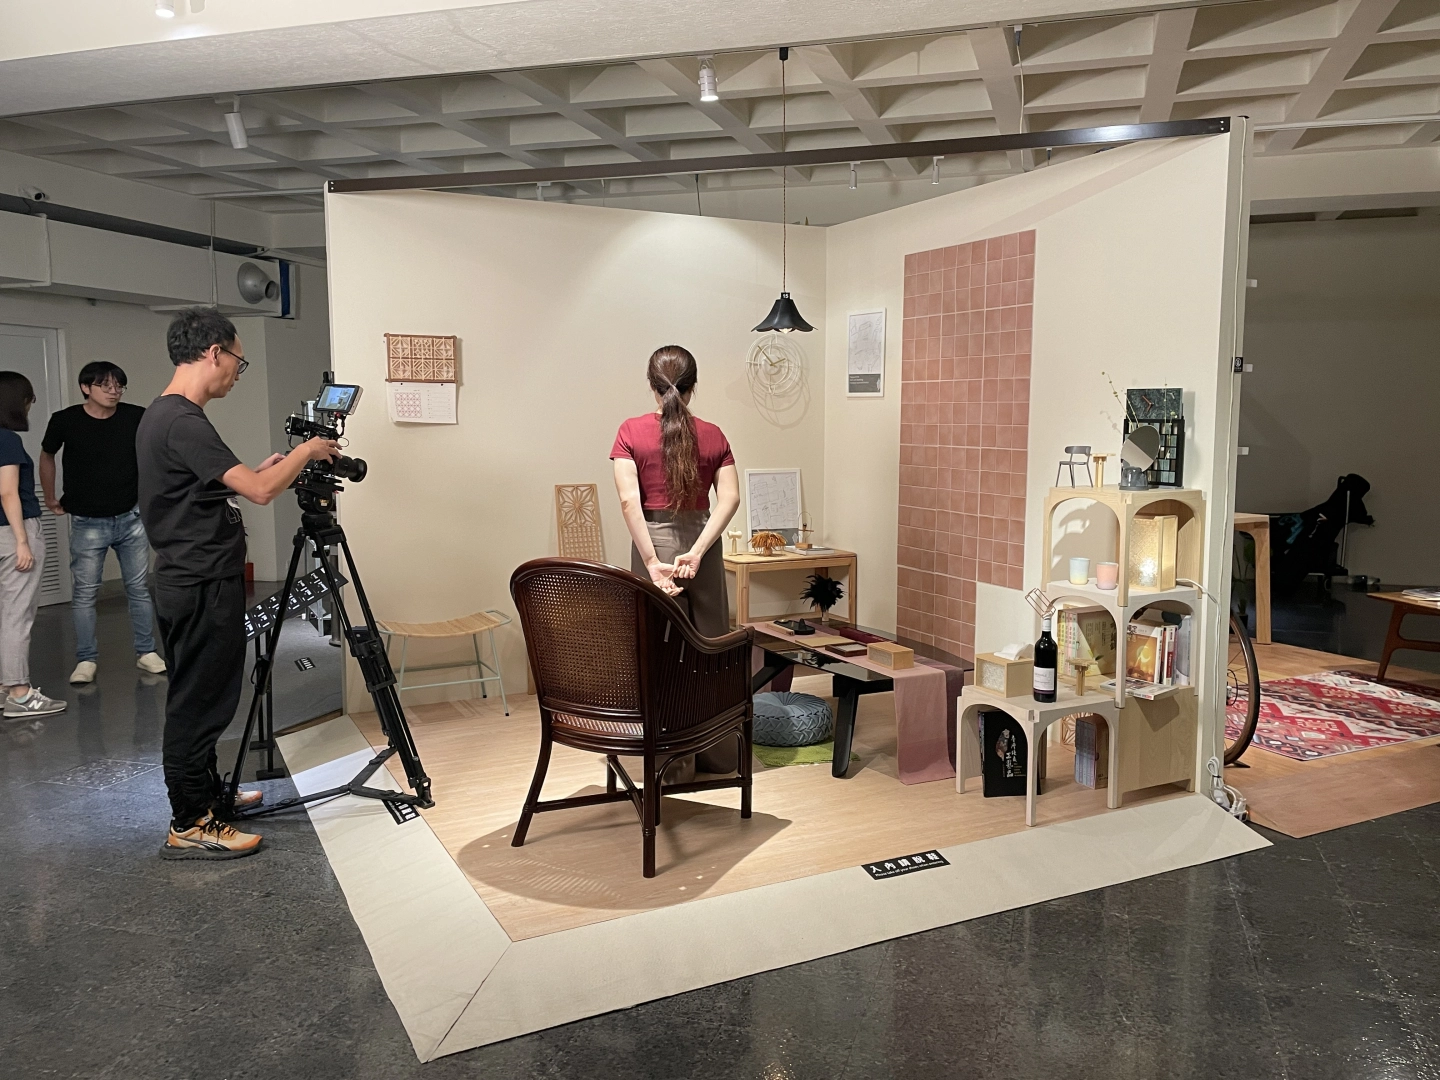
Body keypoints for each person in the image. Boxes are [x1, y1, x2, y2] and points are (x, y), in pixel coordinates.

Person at [139, 308, 338, 861]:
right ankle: (190, 822)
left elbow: (201, 489)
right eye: (238, 361)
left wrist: (265, 467)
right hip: (199, 582)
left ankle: (209, 798)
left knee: (202, 696)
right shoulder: (183, 420)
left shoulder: (165, 415)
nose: (236, 373)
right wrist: (306, 452)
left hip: (191, 576)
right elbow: (260, 492)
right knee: (198, 704)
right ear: (214, 353)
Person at [611, 345, 741, 771]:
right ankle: (719, 756)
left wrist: (652, 562)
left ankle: (668, 764)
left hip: (654, 545)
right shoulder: (714, 434)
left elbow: (630, 502)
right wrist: (698, 550)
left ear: (652, 386)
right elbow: (730, 499)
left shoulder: (630, 432)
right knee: (711, 650)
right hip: (701, 545)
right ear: (693, 385)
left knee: (661, 656)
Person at [39, 361, 167, 685]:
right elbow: (46, 455)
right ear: (86, 387)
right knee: (85, 593)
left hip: (131, 517)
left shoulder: (135, 416)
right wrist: (50, 496)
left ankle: (146, 652)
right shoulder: (65, 420)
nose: (114, 391)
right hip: (87, 521)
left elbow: (156, 453)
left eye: (119, 386)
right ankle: (86, 659)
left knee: (138, 588)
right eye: (106, 385)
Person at [0, 372, 69, 722]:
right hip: (13, 533)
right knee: (17, 616)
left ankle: (5, 688)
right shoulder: (7, 439)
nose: (30, 405)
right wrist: (22, 541)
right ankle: (19, 693)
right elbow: (7, 491)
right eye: (28, 399)